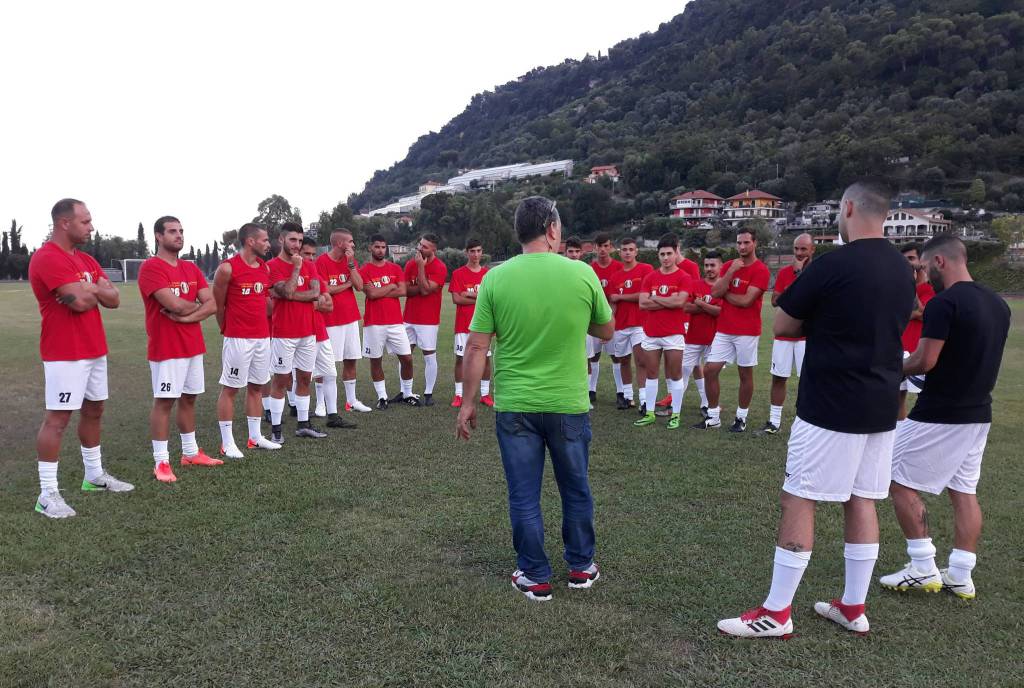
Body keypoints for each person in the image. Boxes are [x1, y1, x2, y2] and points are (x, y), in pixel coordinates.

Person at [717, 180, 915, 639]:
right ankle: (852, 606)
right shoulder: (902, 267)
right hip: (882, 402)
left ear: (847, 208)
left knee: (799, 496)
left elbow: (785, 321)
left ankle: (776, 612)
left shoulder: (834, 263)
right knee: (861, 499)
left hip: (832, 401)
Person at [456, 196, 613, 602]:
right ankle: (581, 566)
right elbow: (607, 330)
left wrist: (469, 401)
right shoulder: (582, 274)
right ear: (553, 229)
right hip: (568, 403)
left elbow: (476, 348)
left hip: (515, 404)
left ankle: (534, 574)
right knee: (575, 488)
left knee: (524, 494)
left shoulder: (495, 278)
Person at [879, 234, 1010, 601]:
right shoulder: (998, 304)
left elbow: (925, 360)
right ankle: (961, 574)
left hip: (941, 411)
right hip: (978, 412)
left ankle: (922, 565)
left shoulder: (944, 303)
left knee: (892, 475)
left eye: (922, 266)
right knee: (964, 490)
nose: (921, 273)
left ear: (939, 262)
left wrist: (890, 368)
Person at [28, 199, 133, 518]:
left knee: (94, 410)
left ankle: (94, 476)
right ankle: (47, 494)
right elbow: (79, 303)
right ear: (64, 223)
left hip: (94, 349)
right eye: (85, 221)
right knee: (57, 419)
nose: (91, 227)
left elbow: (113, 299)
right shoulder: (47, 258)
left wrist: (93, 289)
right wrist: (94, 290)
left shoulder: (87, 259)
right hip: (64, 352)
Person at [138, 216, 221, 483]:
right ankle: (161, 462)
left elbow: (212, 304)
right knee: (164, 403)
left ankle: (190, 452)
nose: (179, 235)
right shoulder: (151, 267)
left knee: (189, 399)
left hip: (192, 345)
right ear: (158, 236)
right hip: (166, 347)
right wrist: (192, 308)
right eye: (172, 231)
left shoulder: (190, 268)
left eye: (181, 231)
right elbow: (172, 304)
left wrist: (186, 316)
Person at [213, 223, 281, 456]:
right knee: (231, 388)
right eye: (264, 240)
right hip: (238, 338)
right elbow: (218, 305)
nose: (268, 243)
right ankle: (227, 443)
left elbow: (264, 302)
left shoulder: (264, 268)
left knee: (257, 387)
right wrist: (227, 329)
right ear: (250, 241)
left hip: (262, 338)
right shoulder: (227, 269)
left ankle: (255, 437)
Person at [698, 229, 771, 432]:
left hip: (747, 331)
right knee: (709, 370)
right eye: (739, 243)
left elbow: (746, 301)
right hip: (724, 329)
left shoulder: (761, 270)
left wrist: (725, 293)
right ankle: (713, 417)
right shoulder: (730, 265)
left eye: (746, 242)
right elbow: (714, 292)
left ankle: (741, 418)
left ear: (755, 243)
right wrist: (729, 273)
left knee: (745, 374)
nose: (741, 247)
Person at [266, 223, 326, 441]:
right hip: (284, 333)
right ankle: (276, 431)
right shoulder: (272, 266)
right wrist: (297, 269)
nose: (297, 245)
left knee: (304, 378)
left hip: (308, 332)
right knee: (281, 381)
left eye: (300, 241)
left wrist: (292, 295)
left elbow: (316, 293)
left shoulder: (311, 266)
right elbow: (288, 291)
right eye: (293, 240)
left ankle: (303, 424)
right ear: (281, 240)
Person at [757, 233, 815, 436]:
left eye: (803, 249)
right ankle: (774, 421)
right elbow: (774, 300)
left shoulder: (817, 273)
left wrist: (799, 281)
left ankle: (806, 422)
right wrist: (796, 281)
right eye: (796, 249)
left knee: (808, 380)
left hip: (806, 337)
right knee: (778, 378)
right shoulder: (784, 272)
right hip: (783, 336)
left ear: (812, 250)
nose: (799, 253)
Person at [633, 234, 690, 429]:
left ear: (676, 253)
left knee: (675, 375)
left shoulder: (684, 277)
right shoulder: (650, 277)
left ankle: (676, 414)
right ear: (658, 256)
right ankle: (649, 413)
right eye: (662, 254)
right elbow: (642, 303)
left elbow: (680, 302)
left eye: (669, 253)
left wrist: (655, 298)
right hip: (651, 333)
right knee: (651, 373)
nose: (665, 258)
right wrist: (667, 301)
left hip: (674, 334)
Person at [300, 238, 355, 429]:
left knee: (330, 373)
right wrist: (311, 301)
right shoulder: (287, 274)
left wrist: (304, 302)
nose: (310, 258)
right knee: (298, 376)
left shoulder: (314, 272)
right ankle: (298, 418)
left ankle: (333, 416)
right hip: (297, 333)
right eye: (306, 254)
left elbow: (328, 304)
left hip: (320, 331)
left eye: (313, 254)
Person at [316, 229, 372, 413]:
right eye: (350, 241)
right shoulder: (321, 262)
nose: (353, 244)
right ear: (340, 243)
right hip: (330, 320)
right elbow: (324, 290)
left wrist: (351, 265)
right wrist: (345, 284)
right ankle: (321, 403)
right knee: (326, 363)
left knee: (351, 360)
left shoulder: (350, 261)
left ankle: (351, 400)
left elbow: (358, 285)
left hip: (350, 319)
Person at [360, 234, 415, 408]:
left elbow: (402, 291)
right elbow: (371, 294)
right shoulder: (365, 270)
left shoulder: (395, 268)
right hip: (374, 322)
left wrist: (383, 290)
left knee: (407, 358)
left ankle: (407, 393)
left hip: (396, 322)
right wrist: (391, 286)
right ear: (371, 248)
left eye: (383, 247)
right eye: (377, 247)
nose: (381, 250)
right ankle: (382, 397)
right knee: (376, 360)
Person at [395, 233, 448, 406]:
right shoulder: (410, 264)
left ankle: (428, 393)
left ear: (434, 249)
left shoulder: (439, 267)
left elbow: (425, 290)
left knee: (429, 356)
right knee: (404, 355)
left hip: (428, 320)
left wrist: (420, 269)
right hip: (409, 317)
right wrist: (420, 284)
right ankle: (404, 392)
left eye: (425, 246)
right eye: (420, 244)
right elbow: (406, 290)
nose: (420, 248)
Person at [607, 237, 653, 410]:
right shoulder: (615, 277)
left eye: (630, 249)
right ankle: (627, 397)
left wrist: (621, 297)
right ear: (620, 252)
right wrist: (610, 323)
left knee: (641, 360)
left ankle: (643, 400)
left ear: (636, 251)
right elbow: (613, 302)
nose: (627, 252)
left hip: (640, 323)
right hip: (621, 325)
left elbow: (644, 295)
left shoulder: (645, 269)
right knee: (623, 360)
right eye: (624, 249)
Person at [676, 251, 722, 421]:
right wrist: (709, 307)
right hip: (693, 337)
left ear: (720, 266)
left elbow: (720, 312)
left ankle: (706, 406)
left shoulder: (722, 287)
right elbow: (686, 307)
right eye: (706, 265)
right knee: (683, 370)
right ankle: (675, 407)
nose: (709, 269)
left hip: (715, 338)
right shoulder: (695, 284)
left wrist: (700, 303)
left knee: (711, 375)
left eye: (713, 265)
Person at [449, 237, 492, 408]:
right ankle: (458, 394)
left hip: (484, 325)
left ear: (482, 252)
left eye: (479, 251)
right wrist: (480, 298)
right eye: (472, 251)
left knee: (486, 359)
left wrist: (470, 294)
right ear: (467, 252)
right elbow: (457, 299)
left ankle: (485, 394)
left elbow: (491, 300)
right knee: (460, 358)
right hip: (463, 324)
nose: (476, 254)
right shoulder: (458, 274)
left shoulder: (488, 274)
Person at [897, 243, 936, 420]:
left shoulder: (930, 289)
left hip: (920, 351)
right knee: (896, 398)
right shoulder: (898, 288)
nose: (908, 264)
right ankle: (897, 438)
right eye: (904, 260)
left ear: (922, 262)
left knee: (925, 398)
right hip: (899, 349)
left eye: (911, 259)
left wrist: (910, 283)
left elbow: (921, 313)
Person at [587, 234, 622, 405]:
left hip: (614, 319)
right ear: (594, 247)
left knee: (617, 357)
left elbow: (617, 297)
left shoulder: (619, 268)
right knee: (593, 357)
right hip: (593, 320)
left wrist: (609, 322)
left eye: (606, 246)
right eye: (599, 246)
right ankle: (591, 390)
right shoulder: (589, 269)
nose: (602, 249)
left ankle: (621, 392)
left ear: (611, 247)